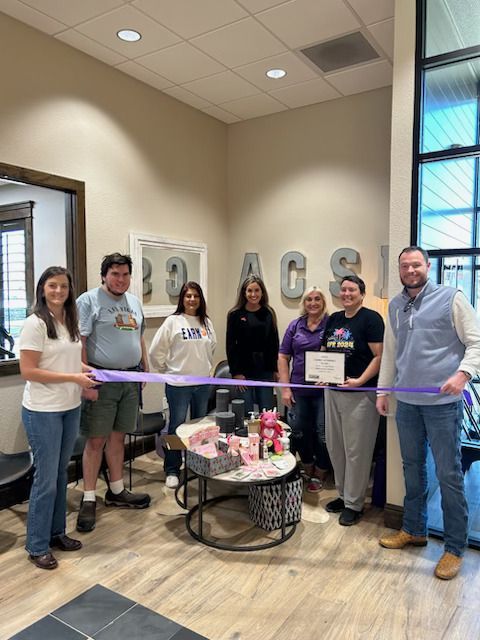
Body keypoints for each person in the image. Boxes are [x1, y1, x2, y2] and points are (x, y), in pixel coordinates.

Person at [377, 246, 480, 580]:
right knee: (412, 468)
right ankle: (414, 529)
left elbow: (476, 342)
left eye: (416, 265)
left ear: (427, 266)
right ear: (399, 270)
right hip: (407, 404)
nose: (410, 270)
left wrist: (463, 374)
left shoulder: (452, 298)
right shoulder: (395, 306)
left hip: (443, 407)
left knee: (449, 475)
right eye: (404, 266)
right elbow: (391, 352)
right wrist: (383, 391)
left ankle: (454, 547)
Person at [20, 266, 97, 569]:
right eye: (52, 285)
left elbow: (68, 359)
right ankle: (37, 545)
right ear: (42, 289)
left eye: (63, 286)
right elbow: (29, 370)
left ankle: (56, 534)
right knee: (46, 479)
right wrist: (74, 377)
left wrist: (86, 370)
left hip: (69, 406)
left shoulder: (70, 320)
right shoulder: (35, 323)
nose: (58, 291)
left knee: (61, 474)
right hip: (43, 411)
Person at [76, 253, 150, 533]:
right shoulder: (89, 301)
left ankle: (116, 490)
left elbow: (139, 336)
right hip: (101, 379)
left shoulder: (134, 302)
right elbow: (80, 341)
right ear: (104, 275)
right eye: (115, 274)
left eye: (125, 274)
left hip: (130, 379)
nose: (120, 279)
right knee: (96, 440)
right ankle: (88, 497)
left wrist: (145, 366)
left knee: (118, 437)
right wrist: (87, 381)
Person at [322, 275, 384, 526]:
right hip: (332, 392)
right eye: (343, 289)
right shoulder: (334, 319)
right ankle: (343, 494)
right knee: (335, 447)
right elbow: (325, 351)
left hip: (360, 394)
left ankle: (354, 504)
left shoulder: (371, 319)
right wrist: (321, 374)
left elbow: (379, 356)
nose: (346, 294)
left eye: (352, 290)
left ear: (362, 293)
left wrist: (360, 380)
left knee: (356, 451)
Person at [149, 281, 216, 488]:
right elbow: (155, 351)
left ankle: (196, 464)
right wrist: (166, 370)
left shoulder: (206, 322)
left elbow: (211, 348)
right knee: (176, 427)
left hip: (202, 384)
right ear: (182, 299)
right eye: (188, 296)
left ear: (200, 299)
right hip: (178, 385)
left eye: (196, 296)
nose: (192, 299)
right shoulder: (173, 322)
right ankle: (172, 469)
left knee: (199, 427)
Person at [278, 286, 331, 492]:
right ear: (304, 303)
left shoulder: (331, 324)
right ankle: (307, 465)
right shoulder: (295, 325)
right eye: (309, 299)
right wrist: (285, 389)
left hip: (323, 392)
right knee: (299, 431)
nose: (313, 303)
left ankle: (321, 470)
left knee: (323, 434)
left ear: (323, 302)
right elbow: (283, 357)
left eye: (317, 299)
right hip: (298, 390)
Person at [226, 275, 279, 414]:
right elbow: (230, 346)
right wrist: (236, 373)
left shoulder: (269, 313)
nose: (253, 294)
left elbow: (274, 343)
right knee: (246, 414)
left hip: (265, 371)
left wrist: (275, 369)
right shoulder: (235, 314)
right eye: (249, 290)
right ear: (244, 293)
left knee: (267, 413)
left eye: (257, 290)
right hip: (243, 372)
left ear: (262, 292)